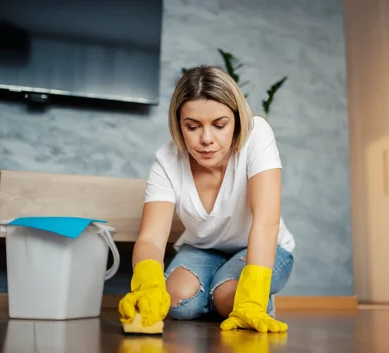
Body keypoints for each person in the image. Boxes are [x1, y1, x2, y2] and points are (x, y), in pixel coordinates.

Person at [118, 65, 295, 333]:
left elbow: (266, 221)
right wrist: (147, 285)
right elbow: (151, 239)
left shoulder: (257, 135)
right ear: (178, 125)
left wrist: (250, 300)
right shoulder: (167, 160)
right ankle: (219, 293)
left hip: (259, 246)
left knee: (229, 298)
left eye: (220, 125)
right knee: (177, 301)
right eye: (192, 126)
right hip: (203, 248)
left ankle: (232, 297)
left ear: (236, 120)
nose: (207, 139)